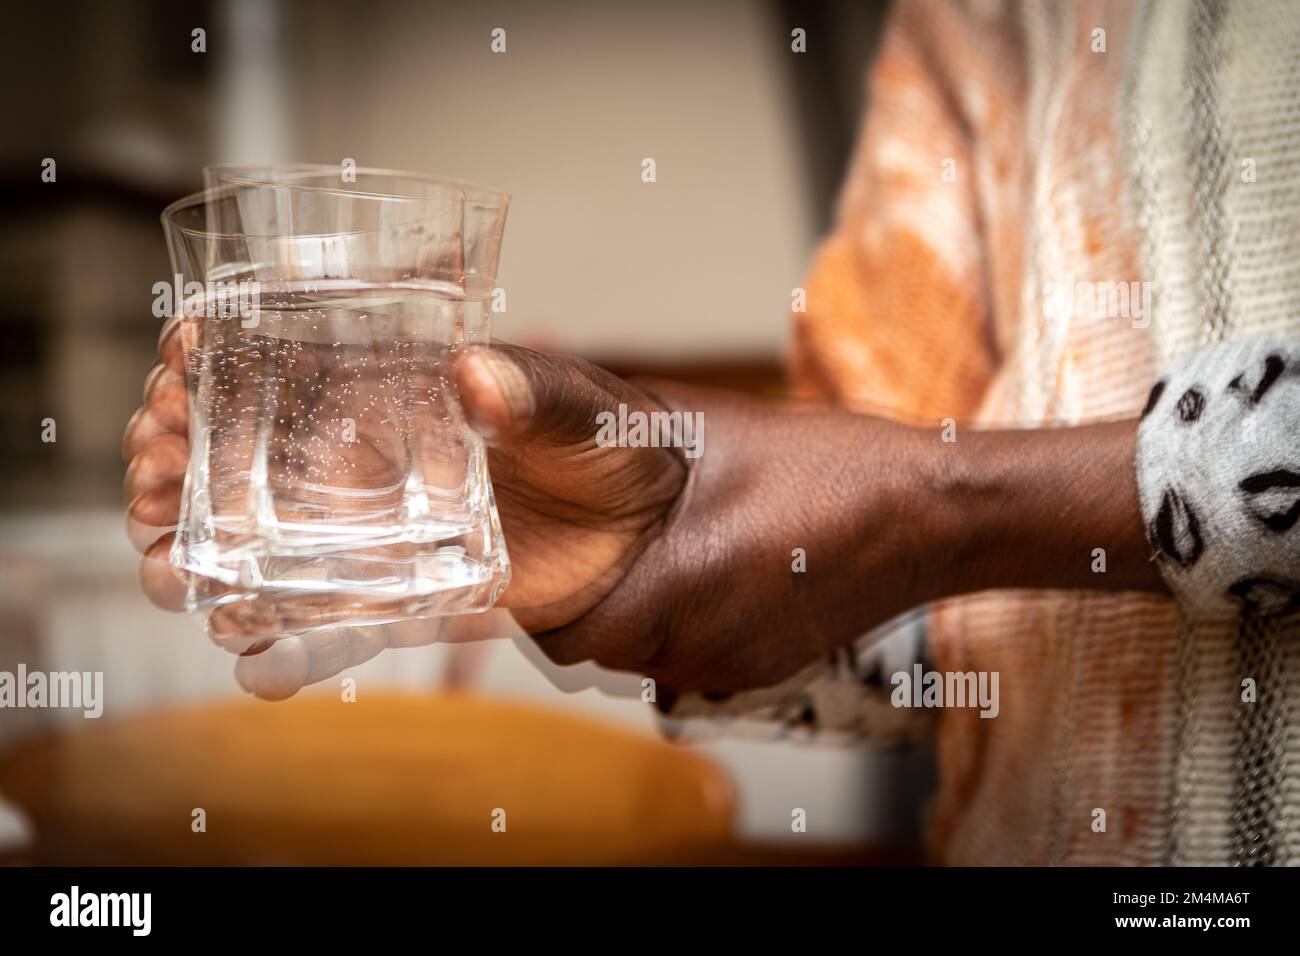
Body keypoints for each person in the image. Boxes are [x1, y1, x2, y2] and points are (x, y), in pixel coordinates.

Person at [123, 0, 1300, 865]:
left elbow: (927, 511)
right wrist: (588, 571)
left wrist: (934, 503)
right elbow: (947, 622)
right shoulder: (976, 28)